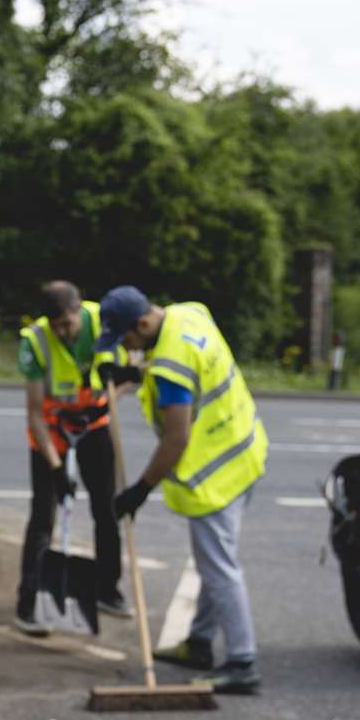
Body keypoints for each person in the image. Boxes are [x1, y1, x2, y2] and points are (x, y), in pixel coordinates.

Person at [100, 286, 268, 695]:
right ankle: (198, 643)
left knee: (220, 569)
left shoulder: (170, 366)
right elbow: (195, 369)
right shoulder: (189, 315)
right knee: (213, 560)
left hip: (215, 476)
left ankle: (242, 662)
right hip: (244, 452)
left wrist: (140, 489)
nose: (127, 347)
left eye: (127, 339)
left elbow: (175, 439)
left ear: (143, 323)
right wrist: (134, 374)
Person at [15, 280, 136, 635]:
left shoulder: (107, 322)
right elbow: (35, 413)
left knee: (107, 507)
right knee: (43, 516)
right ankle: (28, 604)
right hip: (53, 429)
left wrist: (125, 379)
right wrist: (55, 468)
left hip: (95, 424)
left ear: (79, 309)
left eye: (68, 324)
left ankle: (106, 589)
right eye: (57, 327)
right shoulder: (34, 342)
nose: (64, 332)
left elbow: (133, 372)